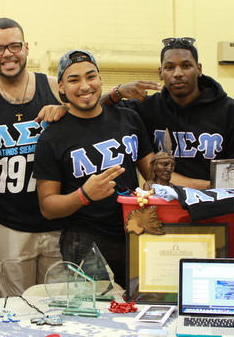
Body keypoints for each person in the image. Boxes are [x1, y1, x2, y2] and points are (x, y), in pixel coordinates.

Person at [33, 50, 154, 288]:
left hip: (135, 231)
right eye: (74, 79)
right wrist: (84, 195)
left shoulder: (129, 119)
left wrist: (157, 183)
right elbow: (48, 207)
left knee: (141, 305)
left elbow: (153, 174)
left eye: (91, 77)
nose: (84, 86)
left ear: (100, 80)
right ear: (61, 87)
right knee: (96, 315)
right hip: (85, 240)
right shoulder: (52, 138)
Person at [0, 17, 66, 297]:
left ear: (26, 48)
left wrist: (66, 110)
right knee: (13, 310)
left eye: (14, 46)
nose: (7, 54)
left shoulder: (53, 87)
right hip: (8, 225)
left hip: (59, 224)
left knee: (61, 308)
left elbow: (90, 111)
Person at [103, 37, 234, 189]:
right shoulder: (147, 107)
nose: (177, 73)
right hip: (166, 206)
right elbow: (91, 108)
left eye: (186, 66)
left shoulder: (228, 109)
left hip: (215, 205)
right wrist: (118, 91)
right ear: (160, 72)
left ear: (199, 69)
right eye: (169, 67)